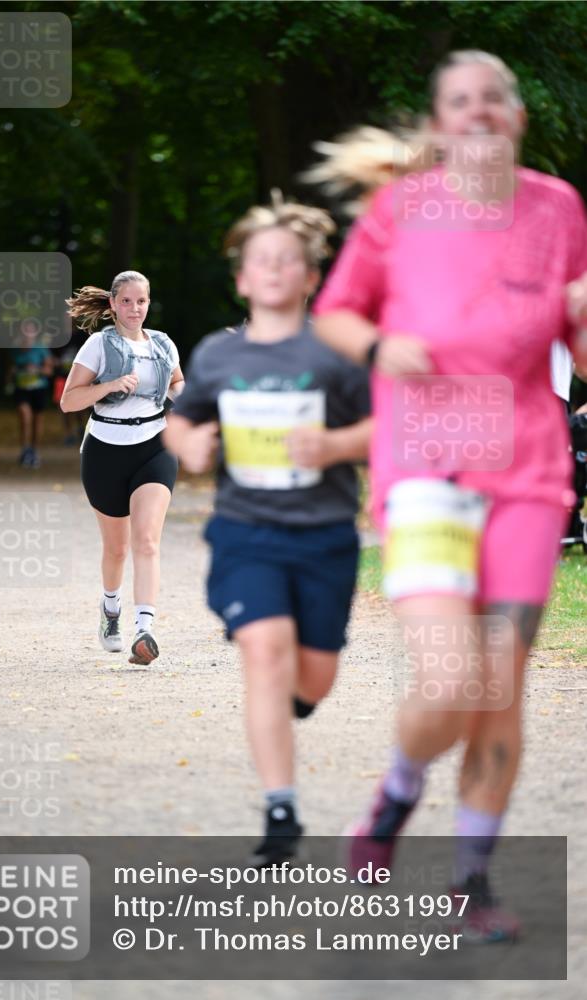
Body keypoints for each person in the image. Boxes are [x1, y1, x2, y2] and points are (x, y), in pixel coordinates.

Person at [312, 50, 587, 940]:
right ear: (437, 126)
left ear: (516, 118)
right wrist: (372, 349)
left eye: (491, 100)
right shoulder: (398, 211)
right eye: (456, 101)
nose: (475, 113)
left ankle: (471, 878)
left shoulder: (560, 209)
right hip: (427, 461)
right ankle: (395, 795)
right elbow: (337, 310)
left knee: (498, 680)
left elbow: (579, 351)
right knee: (450, 676)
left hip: (528, 473)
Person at [164, 196, 372, 866]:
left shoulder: (337, 352)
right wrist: (188, 445)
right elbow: (183, 418)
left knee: (313, 679)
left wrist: (334, 446)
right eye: (262, 260)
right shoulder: (218, 353)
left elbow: (386, 429)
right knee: (264, 650)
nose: (275, 269)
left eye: (290, 259)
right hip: (246, 532)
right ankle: (280, 810)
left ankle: (295, 701)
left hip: (325, 537)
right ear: (242, 279)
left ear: (311, 277)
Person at [61, 270, 184, 664]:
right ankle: (111, 608)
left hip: (155, 445)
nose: (134, 308)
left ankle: (144, 629)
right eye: (126, 301)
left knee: (146, 540)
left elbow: (176, 385)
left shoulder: (164, 344)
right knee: (117, 548)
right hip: (105, 450)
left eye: (141, 301)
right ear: (113, 304)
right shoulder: (98, 345)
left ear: (150, 303)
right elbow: (69, 401)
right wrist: (109, 386)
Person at [11, 318, 54, 468]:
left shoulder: (41, 348)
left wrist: (37, 370)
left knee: (37, 420)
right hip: (22, 388)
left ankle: (34, 451)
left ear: (35, 332)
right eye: (25, 329)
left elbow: (49, 370)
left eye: (31, 329)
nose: (28, 332)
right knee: (24, 416)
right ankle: (25, 449)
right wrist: (14, 372)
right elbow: (10, 368)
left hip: (39, 388)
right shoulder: (16, 348)